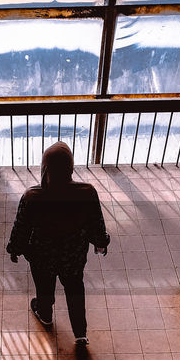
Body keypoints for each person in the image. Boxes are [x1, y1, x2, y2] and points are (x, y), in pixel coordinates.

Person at [6, 142, 109, 347]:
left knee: (44, 289)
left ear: (45, 168)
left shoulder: (32, 196)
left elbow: (21, 228)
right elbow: (96, 224)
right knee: (75, 292)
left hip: (42, 258)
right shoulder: (87, 192)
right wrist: (101, 243)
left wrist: (15, 249)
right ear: (70, 168)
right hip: (73, 257)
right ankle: (80, 334)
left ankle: (45, 315)